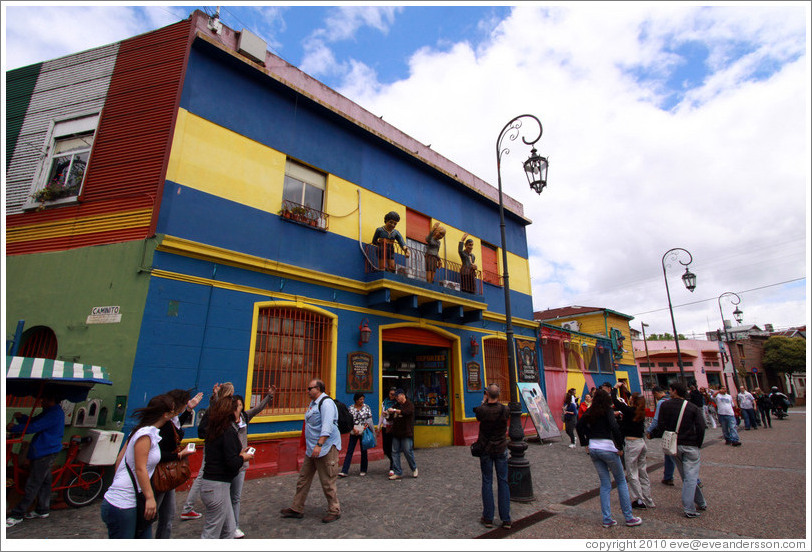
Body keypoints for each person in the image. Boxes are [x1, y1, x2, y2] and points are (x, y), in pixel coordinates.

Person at [100, 394, 176, 538]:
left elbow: (120, 459)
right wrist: (149, 497)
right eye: (173, 411)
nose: (175, 413)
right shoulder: (145, 434)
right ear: (165, 415)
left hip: (133, 498)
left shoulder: (144, 431)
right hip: (123, 502)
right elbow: (140, 468)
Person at [576, 389, 642, 529]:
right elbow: (614, 427)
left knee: (605, 484)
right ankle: (629, 517)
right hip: (607, 447)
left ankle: (607, 518)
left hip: (594, 448)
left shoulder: (590, 411)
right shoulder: (607, 411)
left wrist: (585, 442)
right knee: (621, 481)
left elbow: (579, 425)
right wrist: (619, 446)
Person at [280, 379, 342, 523]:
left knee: (328, 480)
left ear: (318, 388)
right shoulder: (313, 404)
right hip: (312, 448)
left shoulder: (326, 403)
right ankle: (297, 507)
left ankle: (334, 509)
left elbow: (328, 426)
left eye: (310, 388)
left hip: (325, 448)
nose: (307, 391)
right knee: (303, 478)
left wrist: (319, 444)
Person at [6, 391, 66, 527]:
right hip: (44, 450)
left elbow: (34, 427)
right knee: (45, 481)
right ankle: (42, 509)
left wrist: (15, 427)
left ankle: (17, 514)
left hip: (45, 452)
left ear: (49, 400)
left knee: (34, 482)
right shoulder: (50, 411)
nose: (41, 402)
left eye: (43, 400)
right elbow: (34, 421)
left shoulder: (53, 413)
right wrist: (22, 418)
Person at [649, 382, 707, 518]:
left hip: (675, 445)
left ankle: (701, 502)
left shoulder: (665, 405)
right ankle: (689, 508)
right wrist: (698, 443)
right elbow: (701, 426)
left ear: (675, 391)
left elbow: (661, 425)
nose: (669, 392)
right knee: (691, 477)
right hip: (690, 444)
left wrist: (652, 433)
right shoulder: (692, 407)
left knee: (687, 476)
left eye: (670, 390)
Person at [200, 396, 254, 538]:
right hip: (218, 485)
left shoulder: (215, 429)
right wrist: (242, 457)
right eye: (238, 407)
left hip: (214, 484)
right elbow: (232, 463)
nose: (240, 410)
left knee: (229, 529)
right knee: (212, 532)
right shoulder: (227, 431)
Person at [152, 388, 203, 539]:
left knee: (168, 515)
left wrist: (188, 410)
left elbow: (176, 428)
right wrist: (179, 454)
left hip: (169, 471)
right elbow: (157, 453)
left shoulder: (171, 421)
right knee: (150, 515)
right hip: (161, 472)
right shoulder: (163, 424)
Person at [181, 382, 235, 520]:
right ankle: (188, 507)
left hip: (215, 444)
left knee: (205, 474)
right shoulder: (219, 407)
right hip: (214, 445)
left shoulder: (217, 405)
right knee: (203, 475)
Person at [231, 386, 275, 538]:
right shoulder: (225, 422)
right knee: (224, 497)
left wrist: (269, 397)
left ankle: (234, 526)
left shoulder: (244, 417)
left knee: (235, 497)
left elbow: (257, 409)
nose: (239, 408)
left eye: (239, 405)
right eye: (237, 405)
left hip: (241, 462)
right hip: (228, 461)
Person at [473, 384, 511, 529]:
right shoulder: (505, 409)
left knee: (487, 481)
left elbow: (478, 415)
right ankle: (506, 518)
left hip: (486, 448)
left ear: (487, 394)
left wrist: (484, 400)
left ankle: (488, 517)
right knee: (503, 482)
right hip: (501, 447)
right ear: (499, 394)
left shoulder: (483, 409)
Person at [612, 389, 655, 509]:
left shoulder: (629, 411)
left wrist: (616, 388)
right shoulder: (640, 411)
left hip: (632, 444)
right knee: (643, 472)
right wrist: (626, 390)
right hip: (641, 442)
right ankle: (648, 498)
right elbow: (632, 400)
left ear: (633, 401)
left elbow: (616, 401)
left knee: (632, 472)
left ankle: (638, 499)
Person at [646, 386, 676, 485]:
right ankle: (668, 476)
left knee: (671, 455)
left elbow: (656, 419)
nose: (655, 397)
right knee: (670, 455)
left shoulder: (661, 402)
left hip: (668, 431)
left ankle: (669, 477)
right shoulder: (672, 399)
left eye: (655, 395)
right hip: (677, 429)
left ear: (657, 393)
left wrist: (649, 430)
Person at [339, 392, 374, 477]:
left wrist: (364, 428)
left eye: (363, 399)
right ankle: (345, 470)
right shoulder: (351, 408)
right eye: (360, 399)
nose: (362, 401)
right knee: (350, 450)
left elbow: (369, 419)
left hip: (363, 431)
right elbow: (348, 420)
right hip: (354, 431)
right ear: (356, 400)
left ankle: (363, 469)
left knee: (363, 451)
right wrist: (353, 429)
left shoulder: (366, 407)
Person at [388, 389, 417, 480]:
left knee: (407, 451)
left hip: (406, 432)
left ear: (403, 395)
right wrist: (388, 414)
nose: (396, 398)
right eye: (395, 397)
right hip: (396, 432)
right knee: (395, 452)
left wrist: (396, 411)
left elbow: (407, 412)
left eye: (397, 396)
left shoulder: (409, 405)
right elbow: (391, 418)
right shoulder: (396, 405)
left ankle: (414, 468)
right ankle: (398, 472)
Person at [380, 387, 398, 476]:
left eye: (393, 394)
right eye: (391, 394)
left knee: (392, 447)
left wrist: (392, 412)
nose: (392, 396)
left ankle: (393, 466)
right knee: (385, 448)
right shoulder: (384, 402)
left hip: (393, 426)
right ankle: (393, 461)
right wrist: (378, 426)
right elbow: (381, 415)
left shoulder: (397, 404)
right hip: (385, 426)